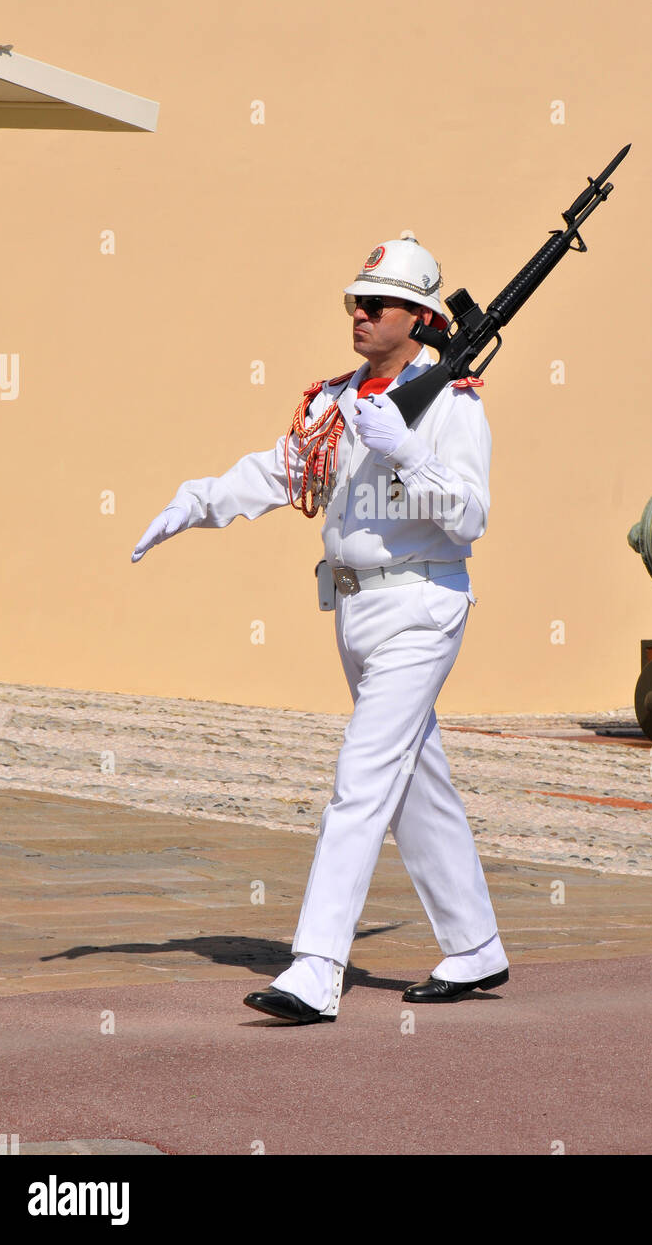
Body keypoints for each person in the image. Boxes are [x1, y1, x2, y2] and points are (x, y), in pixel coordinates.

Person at [131, 233, 508, 1024]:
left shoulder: (451, 400)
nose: (360, 314)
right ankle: (474, 947)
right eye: (353, 302)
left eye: (377, 304)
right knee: (413, 784)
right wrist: (194, 501)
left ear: (421, 316)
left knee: (361, 781)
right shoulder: (340, 399)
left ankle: (315, 967)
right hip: (355, 608)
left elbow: (469, 516)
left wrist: (406, 452)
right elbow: (282, 469)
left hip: (421, 605)